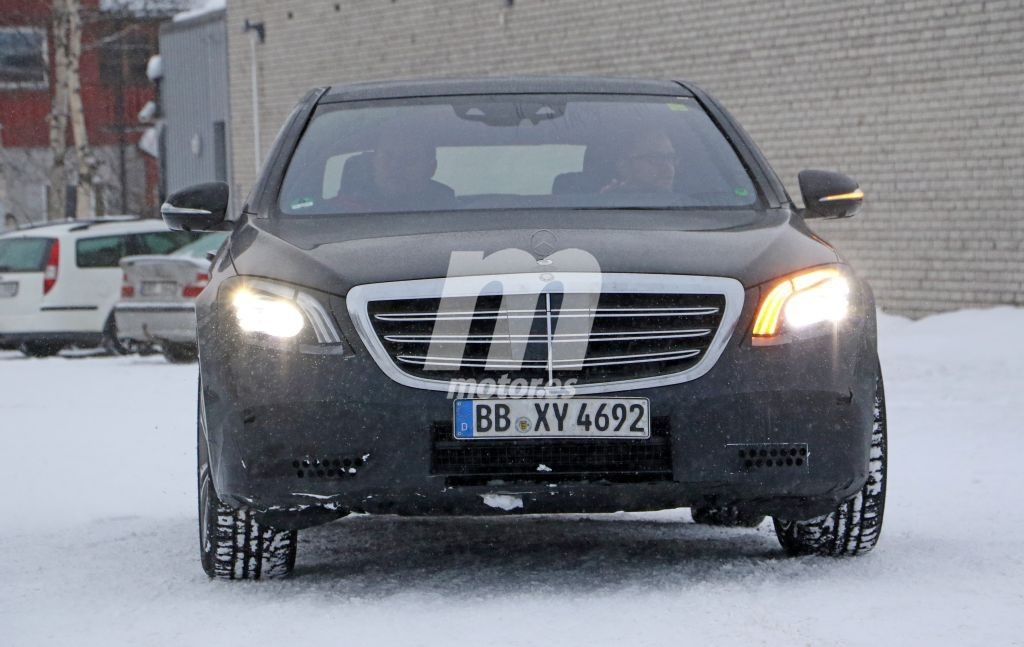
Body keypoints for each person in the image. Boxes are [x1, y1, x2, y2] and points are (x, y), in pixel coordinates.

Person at [340, 128, 455, 212]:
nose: (396, 165)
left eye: (409, 158)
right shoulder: (339, 211)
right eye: (387, 157)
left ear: (431, 168)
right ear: (373, 162)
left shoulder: (456, 217)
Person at [600, 129, 677, 194]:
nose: (669, 168)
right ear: (623, 163)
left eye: (671, 158)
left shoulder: (684, 203)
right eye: (655, 158)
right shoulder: (603, 206)